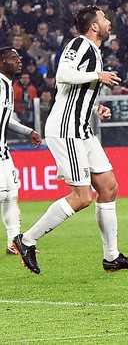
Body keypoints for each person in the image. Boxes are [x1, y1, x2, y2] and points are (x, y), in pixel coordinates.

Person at [12, 6, 128, 274]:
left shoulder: (95, 52)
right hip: (67, 129)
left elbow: (74, 90)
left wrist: (96, 107)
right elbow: (63, 75)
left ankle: (111, 256)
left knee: (108, 187)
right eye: (104, 19)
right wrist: (98, 76)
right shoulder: (80, 44)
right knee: (82, 197)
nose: (108, 22)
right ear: (94, 26)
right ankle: (26, 240)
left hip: (83, 128)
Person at [0, 48, 42, 255]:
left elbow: (5, 120)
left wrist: (28, 132)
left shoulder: (8, 86)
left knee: (10, 195)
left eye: (19, 57)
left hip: (3, 151)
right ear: (1, 63)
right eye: (13, 58)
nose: (18, 61)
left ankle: (13, 243)